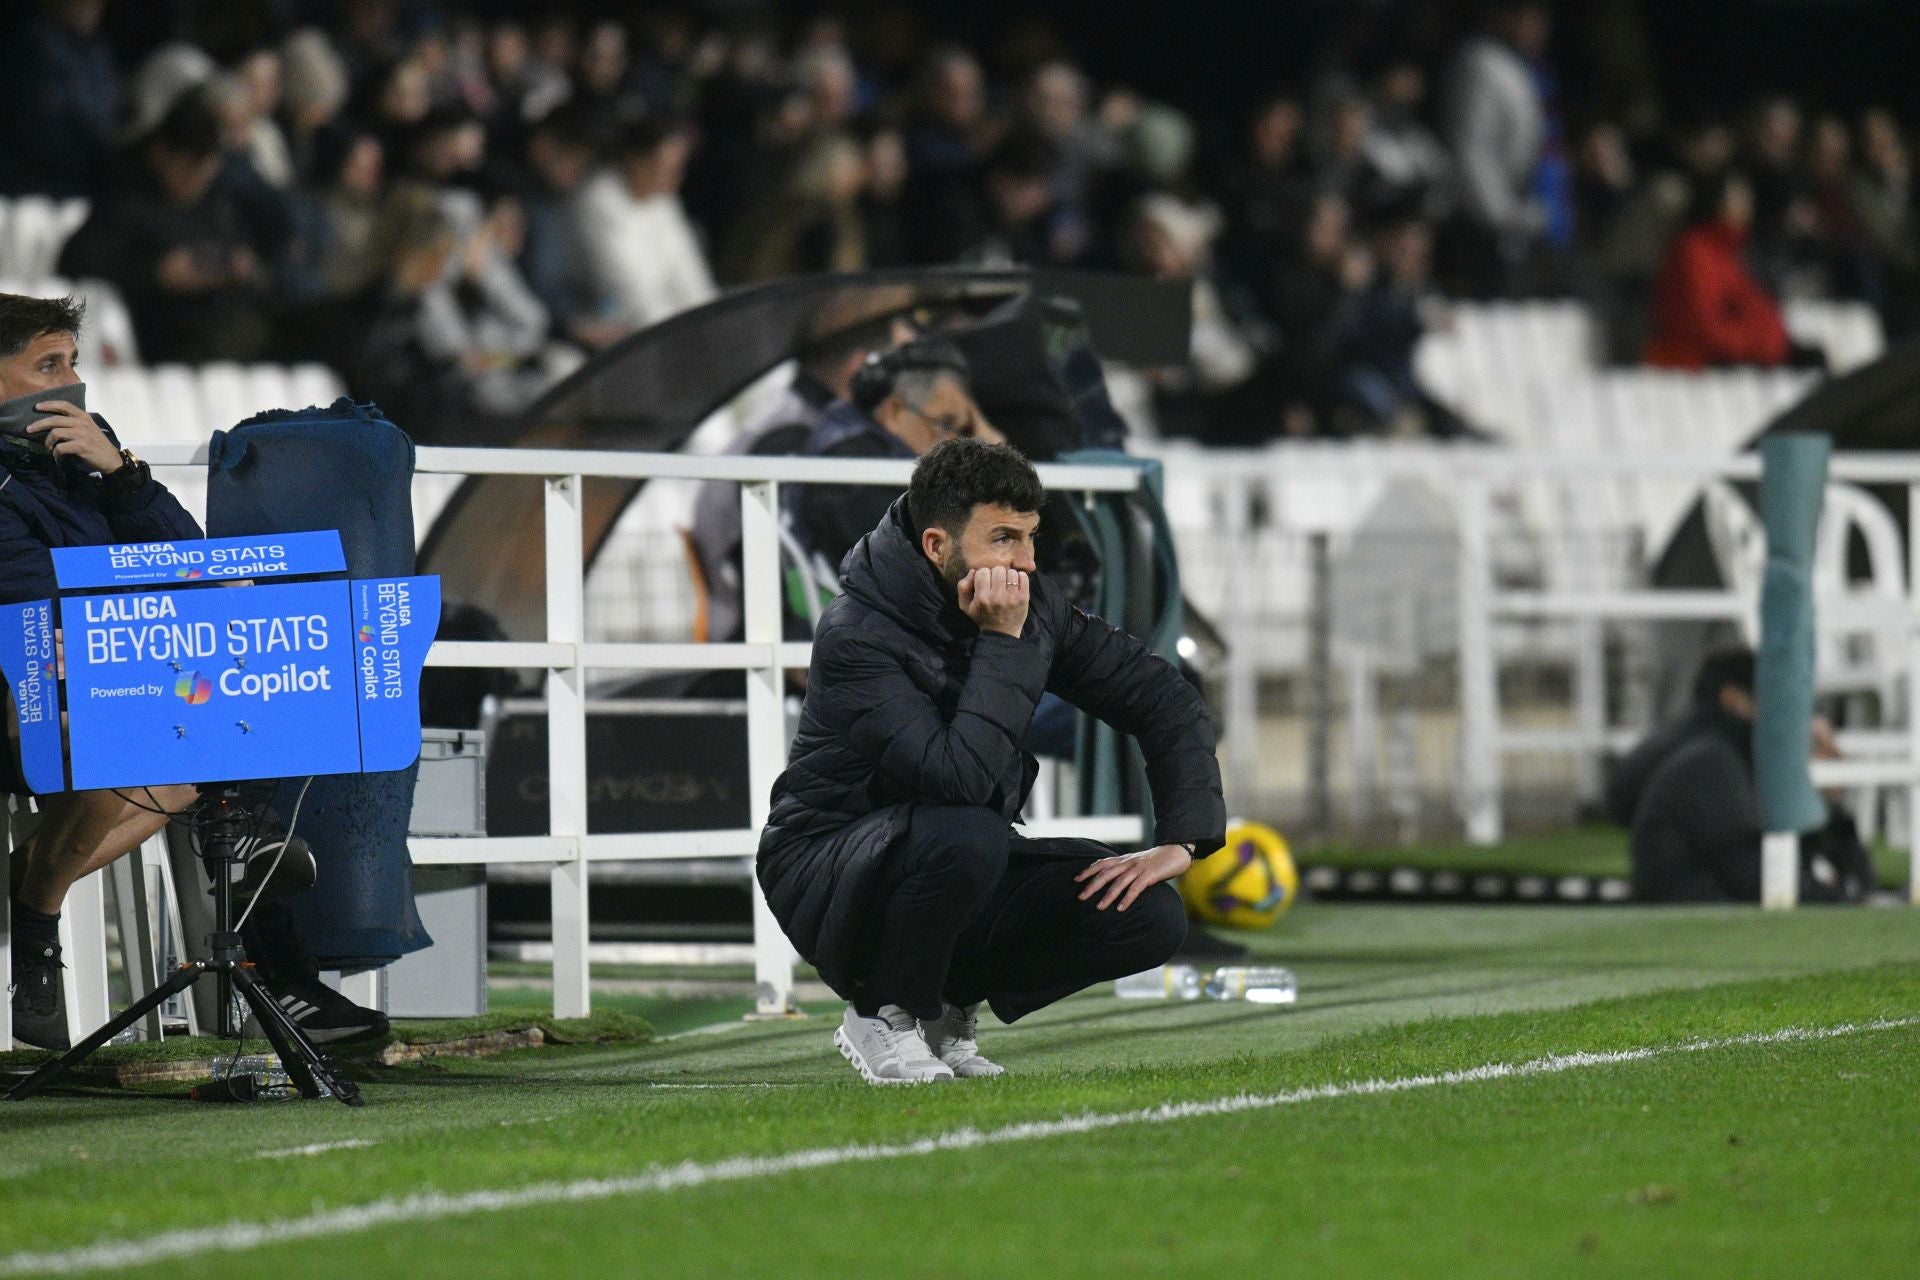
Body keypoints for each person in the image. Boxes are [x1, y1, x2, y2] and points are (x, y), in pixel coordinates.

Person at [757, 439, 1225, 1084]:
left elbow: (1165, 697)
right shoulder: (855, 634)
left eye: (1031, 538)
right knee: (968, 832)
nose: (1027, 563)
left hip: (953, 855)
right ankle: (879, 1012)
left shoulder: (1032, 606)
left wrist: (1184, 839)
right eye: (1004, 538)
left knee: (1147, 916)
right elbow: (958, 777)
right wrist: (1002, 642)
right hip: (826, 866)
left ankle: (946, 1005)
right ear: (935, 546)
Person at [0, 292, 386, 1049]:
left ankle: (43, 887)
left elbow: (196, 563)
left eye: (75, 363)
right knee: (178, 739)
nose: (71, 385)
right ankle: (44, 906)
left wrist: (121, 475)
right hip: (26, 692)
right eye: (48, 365)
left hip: (116, 674)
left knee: (253, 710)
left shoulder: (86, 451)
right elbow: (36, 613)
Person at [1608, 646, 1873, 904]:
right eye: (1776, 702)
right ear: (1734, 699)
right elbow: (1752, 874)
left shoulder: (1723, 755)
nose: (1789, 718)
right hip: (1694, 921)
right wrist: (1841, 898)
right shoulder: (1711, 764)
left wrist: (1821, 799)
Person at [786, 335, 1002, 579]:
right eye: (945, 423)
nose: (954, 441)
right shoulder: (854, 471)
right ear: (895, 411)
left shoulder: (856, 444)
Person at [1642, 171, 1804, 371]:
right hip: (1693, 364)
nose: (1746, 206)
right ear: (1715, 202)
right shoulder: (1693, 251)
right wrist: (1756, 347)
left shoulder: (1734, 253)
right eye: (1738, 198)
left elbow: (1760, 310)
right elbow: (1700, 325)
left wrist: (1771, 345)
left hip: (1733, 358)